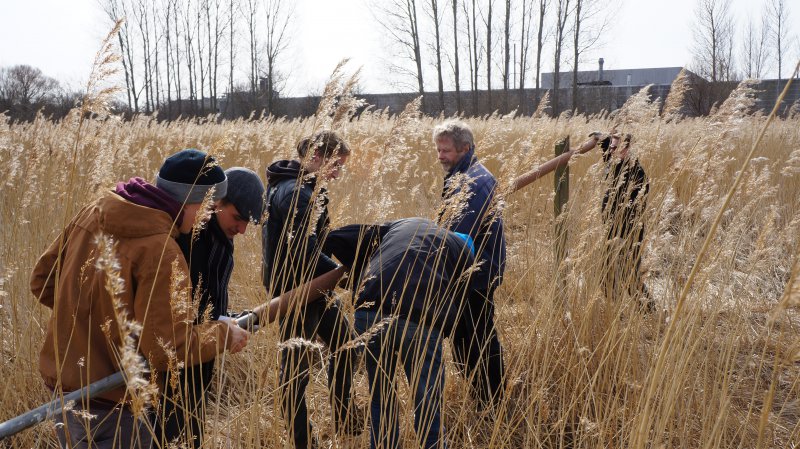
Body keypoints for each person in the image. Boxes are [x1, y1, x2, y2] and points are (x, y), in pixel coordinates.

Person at [31, 149, 250, 449]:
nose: (208, 216)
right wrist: (225, 333)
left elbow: (42, 282)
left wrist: (90, 323)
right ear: (192, 201)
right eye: (209, 207)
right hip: (116, 405)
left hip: (63, 392)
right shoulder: (162, 251)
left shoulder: (91, 212)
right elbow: (168, 349)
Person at [323, 218, 476, 449]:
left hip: (369, 310)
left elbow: (336, 237)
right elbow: (461, 315)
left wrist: (358, 277)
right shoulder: (465, 255)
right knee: (427, 402)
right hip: (419, 317)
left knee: (380, 397)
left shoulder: (405, 224)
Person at [261, 130, 362, 448]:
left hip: (313, 285)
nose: (337, 173)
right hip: (297, 291)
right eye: (336, 164)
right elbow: (303, 252)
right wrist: (344, 276)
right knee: (294, 373)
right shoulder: (295, 192)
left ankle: (346, 418)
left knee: (347, 345)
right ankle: (304, 442)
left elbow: (317, 242)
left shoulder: (302, 186)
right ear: (316, 156)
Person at [156, 167, 265, 448]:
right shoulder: (190, 234)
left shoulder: (221, 234)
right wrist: (218, 326)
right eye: (238, 218)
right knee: (170, 430)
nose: (241, 230)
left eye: (247, 224)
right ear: (217, 202)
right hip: (178, 350)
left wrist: (223, 322)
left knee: (192, 422)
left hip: (204, 345)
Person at [433, 120, 506, 414]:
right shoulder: (461, 175)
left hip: (476, 272)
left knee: (478, 337)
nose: (440, 156)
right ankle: (482, 396)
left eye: (446, 150)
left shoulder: (474, 181)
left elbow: (460, 236)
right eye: (438, 150)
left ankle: (491, 401)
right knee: (465, 336)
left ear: (465, 148)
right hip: (467, 270)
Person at [600, 133, 654, 312]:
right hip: (612, 232)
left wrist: (622, 239)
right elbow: (607, 155)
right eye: (612, 148)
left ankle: (649, 310)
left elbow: (635, 208)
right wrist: (602, 139)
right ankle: (611, 311)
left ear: (629, 149)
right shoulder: (615, 162)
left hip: (627, 233)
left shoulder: (636, 172)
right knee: (606, 275)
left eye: (617, 148)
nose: (612, 151)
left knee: (628, 276)